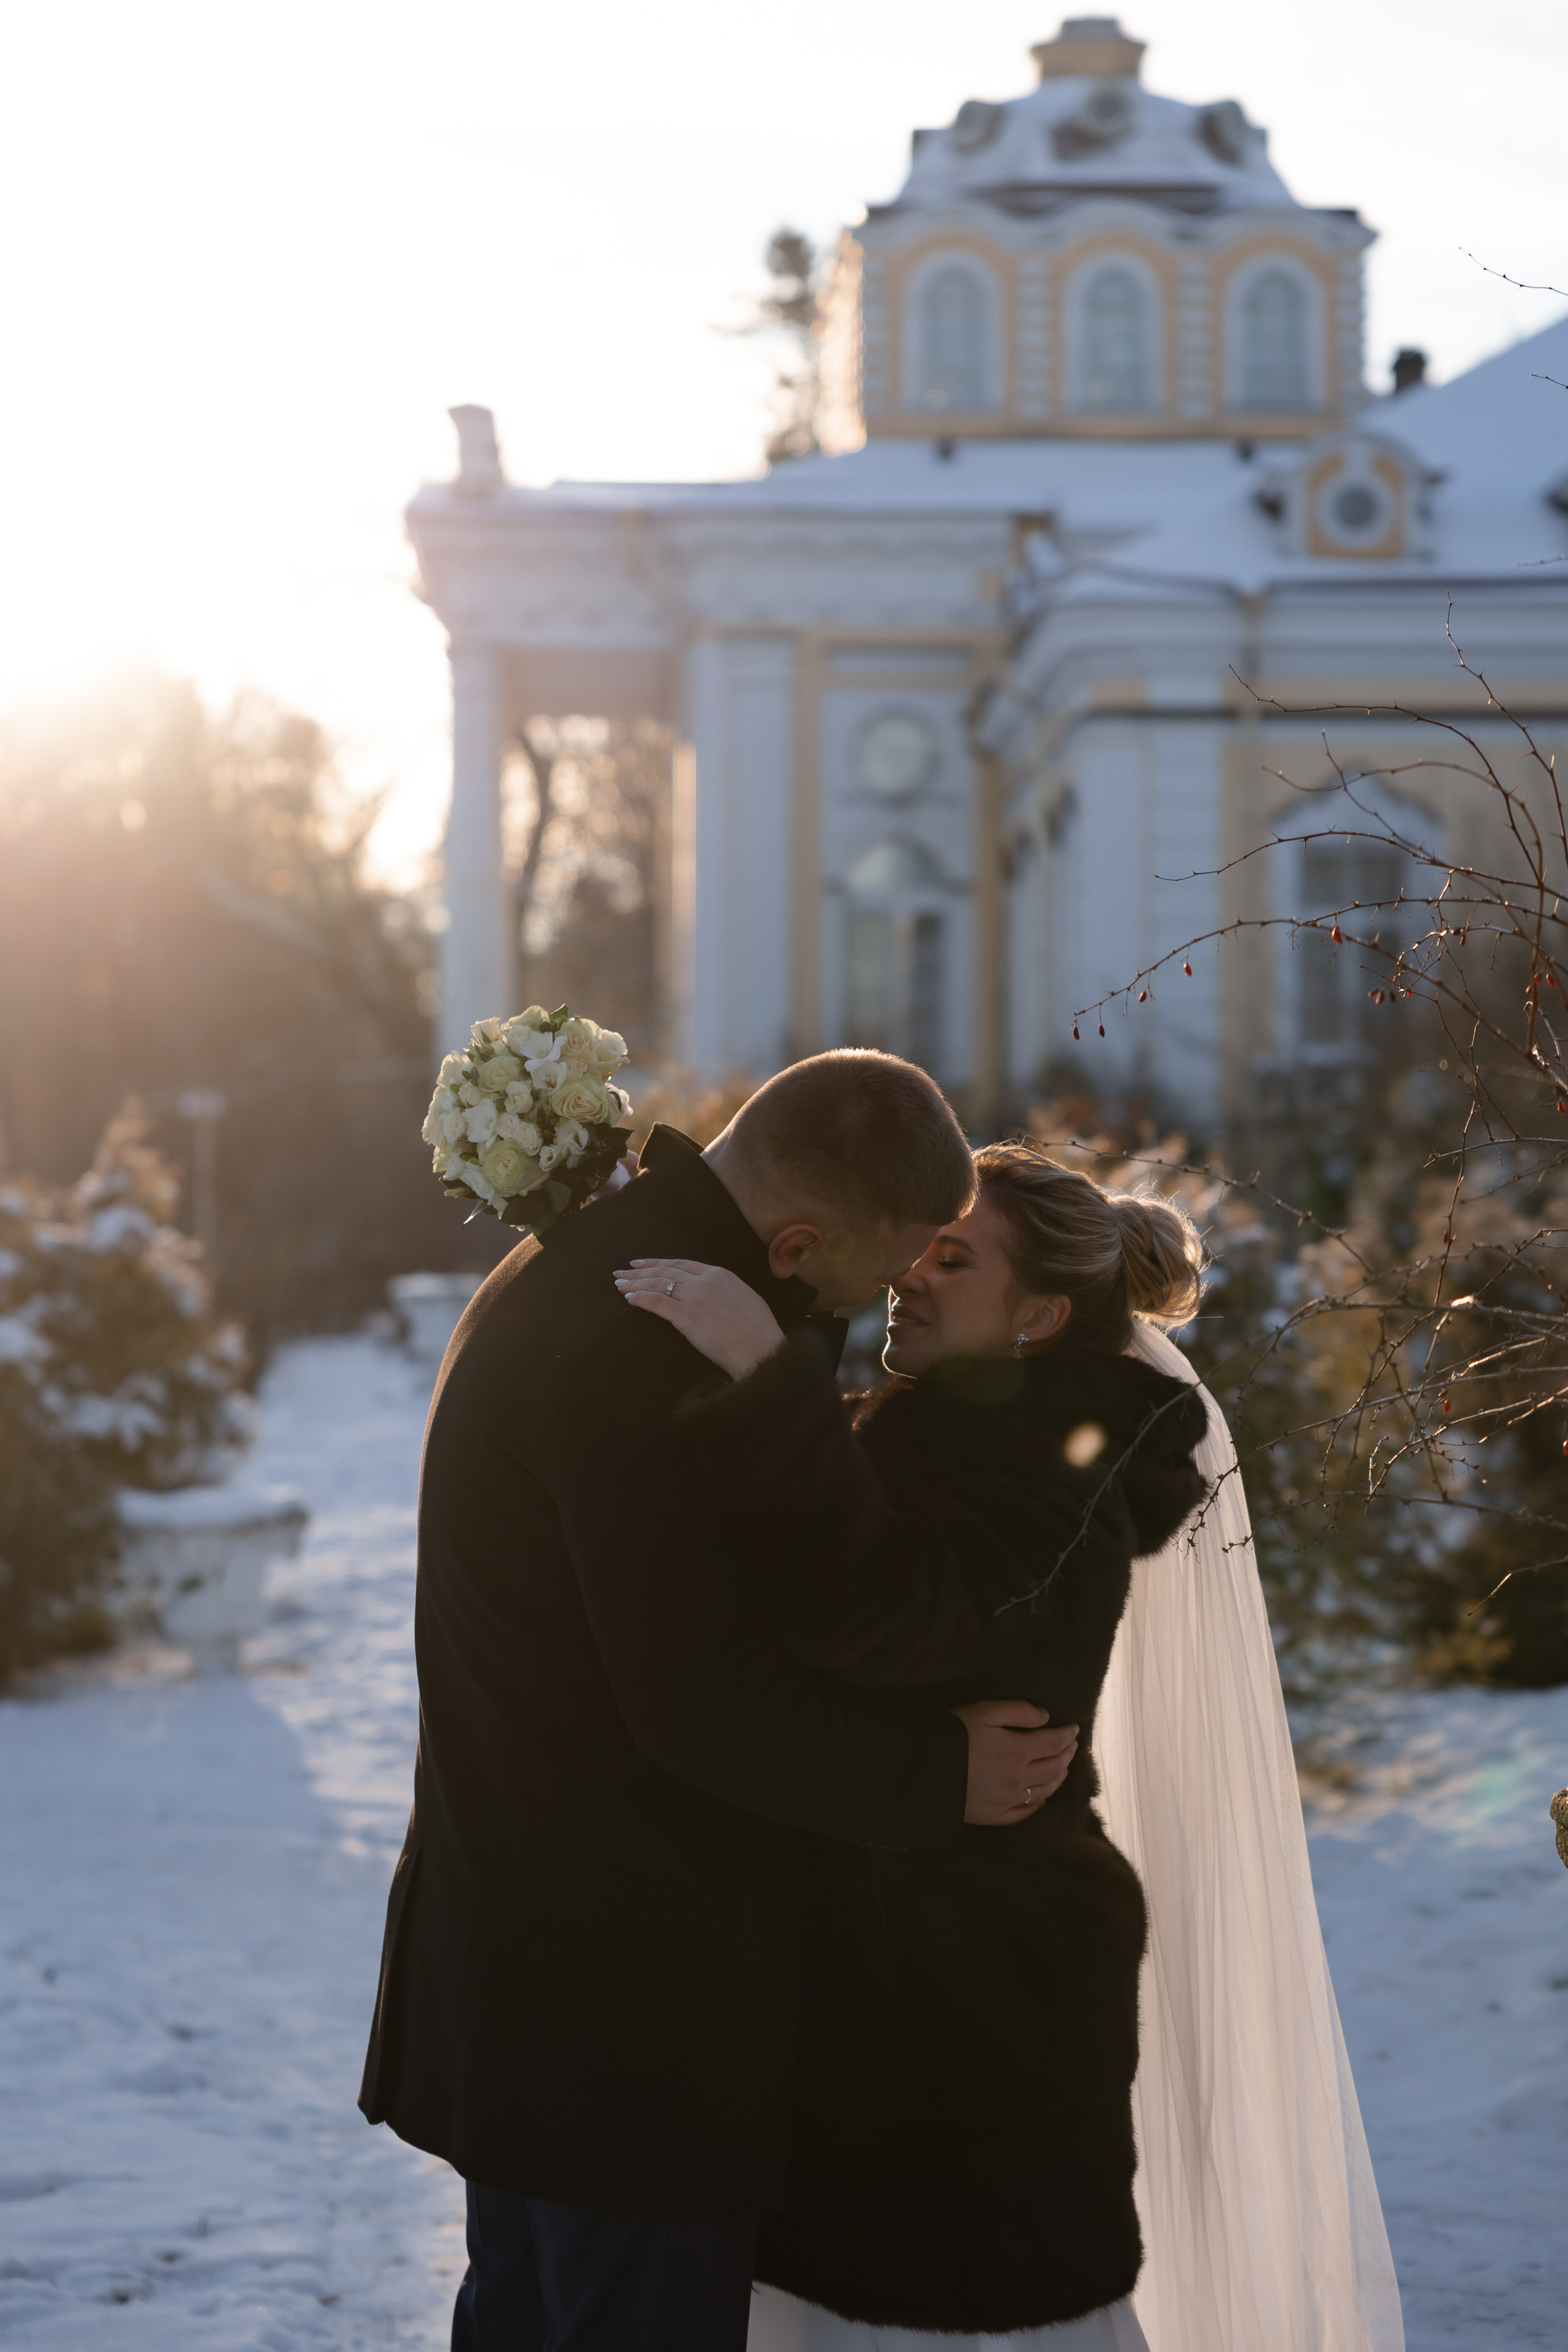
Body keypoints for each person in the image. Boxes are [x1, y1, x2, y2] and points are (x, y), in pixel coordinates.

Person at [620, 1144, 1407, 2352]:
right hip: (907, 1980)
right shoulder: (950, 1431)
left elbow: (886, 1613)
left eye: (952, 1257)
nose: (908, 1277)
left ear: (1039, 1316)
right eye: (914, 1247)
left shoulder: (1057, 1465)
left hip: (971, 2001)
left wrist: (759, 1371)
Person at [358, 1054, 1078, 2352]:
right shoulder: (645, 1352)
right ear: (794, 1240)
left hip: (537, 1983)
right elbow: (702, 1703)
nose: (893, 1297)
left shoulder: (604, 1257)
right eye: (884, 1272)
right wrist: (937, 1778)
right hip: (624, 2023)